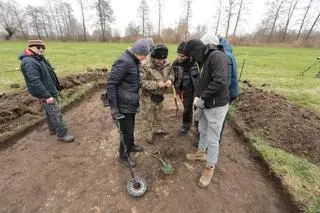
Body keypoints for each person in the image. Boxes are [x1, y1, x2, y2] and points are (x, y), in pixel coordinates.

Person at [184, 39, 229, 188]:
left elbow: (220, 81)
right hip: (206, 103)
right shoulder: (204, 59)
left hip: (216, 105)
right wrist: (198, 96)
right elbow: (203, 81)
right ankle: (201, 153)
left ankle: (210, 168)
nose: (192, 59)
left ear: (196, 50)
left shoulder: (217, 56)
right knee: (202, 129)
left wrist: (202, 97)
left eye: (191, 55)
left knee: (213, 138)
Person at [19, 40, 74, 143]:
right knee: (55, 113)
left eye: (43, 47)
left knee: (49, 112)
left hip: (49, 89)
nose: (41, 49)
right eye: (38, 47)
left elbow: (47, 73)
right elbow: (35, 81)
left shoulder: (37, 58)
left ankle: (53, 129)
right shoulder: (29, 62)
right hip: (44, 93)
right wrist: (47, 96)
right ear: (31, 47)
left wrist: (56, 86)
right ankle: (62, 134)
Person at [107, 39, 150, 168]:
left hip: (130, 102)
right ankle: (123, 156)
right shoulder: (124, 62)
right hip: (122, 105)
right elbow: (111, 84)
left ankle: (130, 145)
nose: (146, 58)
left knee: (130, 128)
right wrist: (114, 107)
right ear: (139, 52)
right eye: (145, 55)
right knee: (126, 131)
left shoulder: (133, 61)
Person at [140, 44, 174, 144]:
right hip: (147, 96)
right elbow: (141, 82)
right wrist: (157, 84)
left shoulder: (167, 63)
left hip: (160, 96)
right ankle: (149, 134)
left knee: (158, 113)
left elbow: (172, 74)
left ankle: (158, 129)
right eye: (158, 60)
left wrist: (170, 81)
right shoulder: (144, 65)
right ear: (153, 57)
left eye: (163, 59)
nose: (161, 62)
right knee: (149, 116)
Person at [172, 41, 200, 136]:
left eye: (182, 56)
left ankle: (198, 128)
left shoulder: (197, 62)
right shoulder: (176, 63)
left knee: (198, 109)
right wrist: (177, 88)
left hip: (197, 90)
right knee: (187, 109)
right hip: (184, 90)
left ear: (189, 55)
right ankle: (186, 126)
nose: (180, 58)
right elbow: (173, 77)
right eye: (178, 55)